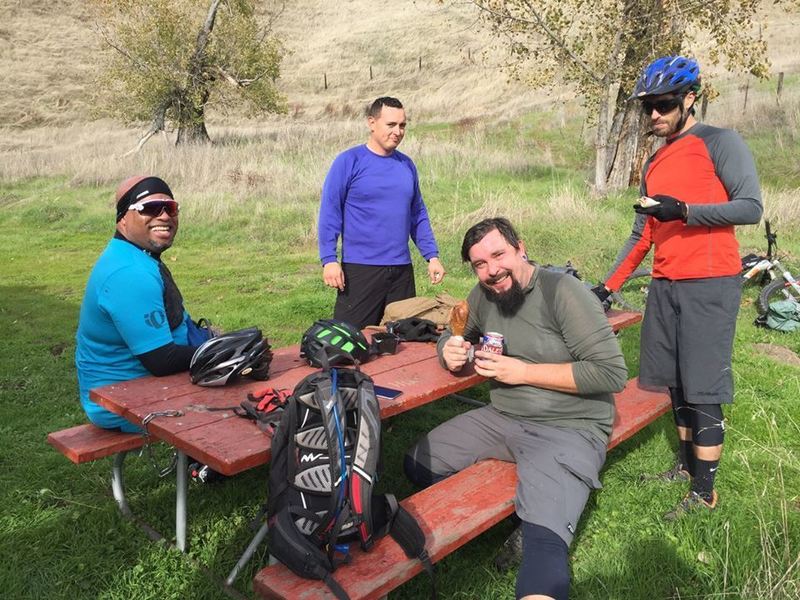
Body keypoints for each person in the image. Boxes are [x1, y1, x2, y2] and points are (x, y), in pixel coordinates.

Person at [404, 218, 627, 600]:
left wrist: (522, 371)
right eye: (479, 264)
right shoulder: (484, 294)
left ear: (520, 247)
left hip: (568, 426)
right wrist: (450, 350)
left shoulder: (564, 292)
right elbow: (451, 333)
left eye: (498, 255)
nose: (492, 271)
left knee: (544, 543)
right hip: (501, 417)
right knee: (418, 462)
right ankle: (518, 505)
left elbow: (611, 373)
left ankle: (535, 519)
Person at [591, 56, 763, 519]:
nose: (653, 115)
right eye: (647, 107)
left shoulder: (720, 143)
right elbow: (641, 235)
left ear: (690, 99)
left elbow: (750, 207)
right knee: (677, 383)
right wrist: (606, 288)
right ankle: (687, 468)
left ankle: (705, 493)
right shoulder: (653, 162)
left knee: (704, 385)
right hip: (665, 286)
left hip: (710, 282)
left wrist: (685, 210)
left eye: (663, 104)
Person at [76, 175, 205, 433]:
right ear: (123, 218)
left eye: (170, 208)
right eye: (149, 208)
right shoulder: (128, 272)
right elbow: (161, 361)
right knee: (248, 393)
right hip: (125, 399)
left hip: (142, 385)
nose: (164, 216)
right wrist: (221, 351)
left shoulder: (135, 255)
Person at [317, 96, 446, 329]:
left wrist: (432, 256)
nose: (398, 131)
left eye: (402, 125)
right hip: (360, 271)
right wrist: (329, 260)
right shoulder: (349, 161)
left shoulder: (406, 165)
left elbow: (417, 214)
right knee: (350, 343)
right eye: (391, 125)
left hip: (400, 272)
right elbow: (330, 212)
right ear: (371, 123)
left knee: (401, 342)